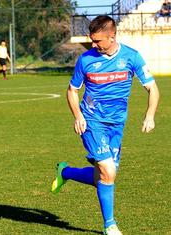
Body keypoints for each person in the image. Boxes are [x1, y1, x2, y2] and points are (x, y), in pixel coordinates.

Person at [50, 15, 159, 235]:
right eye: (92, 40)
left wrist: (150, 115)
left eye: (98, 41)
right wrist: (78, 116)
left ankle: (66, 172)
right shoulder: (86, 60)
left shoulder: (132, 57)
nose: (94, 45)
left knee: (104, 176)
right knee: (108, 171)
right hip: (91, 121)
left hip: (116, 124)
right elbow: (72, 90)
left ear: (112, 36)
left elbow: (153, 88)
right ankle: (110, 225)